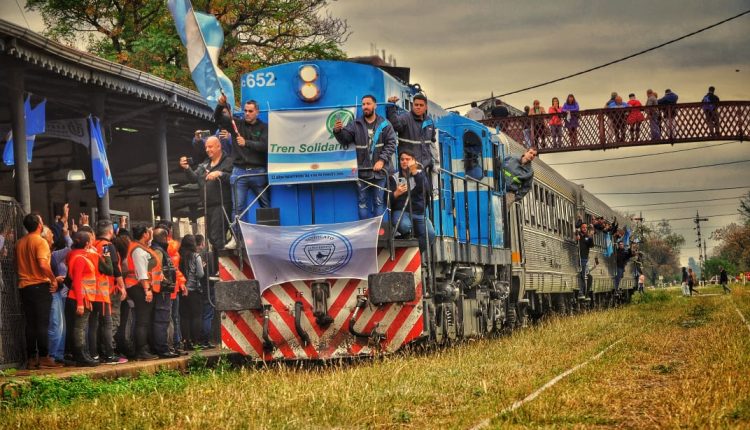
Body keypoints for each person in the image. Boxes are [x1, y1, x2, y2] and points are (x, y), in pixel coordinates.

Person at [334, 95, 397, 219]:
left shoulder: (385, 124)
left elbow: (391, 143)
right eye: (363, 104)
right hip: (362, 172)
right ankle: (365, 233)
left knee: (378, 202)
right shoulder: (356, 123)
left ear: (375, 105)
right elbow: (345, 140)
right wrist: (338, 131)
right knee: (362, 203)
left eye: (368, 104)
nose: (365, 107)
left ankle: (378, 235)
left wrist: (382, 160)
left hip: (380, 173)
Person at [221, 96, 270, 249]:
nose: (247, 113)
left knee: (265, 206)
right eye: (245, 111)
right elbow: (220, 119)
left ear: (257, 112)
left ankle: (268, 238)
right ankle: (236, 238)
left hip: (258, 171)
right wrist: (219, 105)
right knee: (237, 208)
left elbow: (265, 145)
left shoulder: (264, 127)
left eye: (250, 111)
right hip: (239, 172)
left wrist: (246, 143)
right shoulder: (237, 124)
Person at [16, 214, 63, 369]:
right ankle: (44, 357)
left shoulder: (20, 243)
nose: (43, 223)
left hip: (24, 286)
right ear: (38, 225)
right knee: (42, 323)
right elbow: (43, 264)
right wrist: (53, 278)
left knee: (30, 324)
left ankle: (31, 358)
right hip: (39, 285)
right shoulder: (40, 241)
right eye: (42, 221)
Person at [181, 136, 233, 253]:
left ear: (219, 146)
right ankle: (219, 261)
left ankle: (224, 260)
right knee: (210, 237)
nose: (207, 150)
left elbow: (233, 178)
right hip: (207, 205)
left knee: (216, 235)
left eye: (210, 147)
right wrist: (187, 168)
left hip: (222, 204)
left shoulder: (228, 161)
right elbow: (193, 178)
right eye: (206, 147)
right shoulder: (205, 164)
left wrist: (220, 173)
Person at [92, 219, 128, 364]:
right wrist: (122, 286)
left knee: (96, 323)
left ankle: (99, 352)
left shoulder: (93, 245)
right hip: (107, 289)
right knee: (110, 321)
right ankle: (109, 353)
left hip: (92, 290)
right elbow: (114, 268)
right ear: (110, 231)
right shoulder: (108, 246)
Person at [122, 224, 158, 360]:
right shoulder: (138, 250)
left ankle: (143, 349)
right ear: (144, 234)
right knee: (142, 320)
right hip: (138, 286)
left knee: (143, 319)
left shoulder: (138, 247)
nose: (150, 234)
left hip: (137, 286)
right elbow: (142, 272)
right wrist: (147, 290)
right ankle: (141, 351)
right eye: (148, 233)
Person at [389, 150, 435, 253]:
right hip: (401, 212)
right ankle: (406, 237)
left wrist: (414, 171)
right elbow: (387, 199)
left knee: (430, 234)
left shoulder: (420, 174)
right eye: (402, 159)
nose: (404, 162)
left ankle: (417, 256)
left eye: (408, 159)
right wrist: (396, 193)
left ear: (414, 161)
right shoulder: (394, 178)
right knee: (405, 226)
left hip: (418, 213)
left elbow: (425, 189)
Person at [65, 231, 99, 366]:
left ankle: (82, 354)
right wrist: (80, 303)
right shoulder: (80, 258)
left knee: (80, 327)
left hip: (81, 297)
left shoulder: (75, 255)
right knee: (80, 328)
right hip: (80, 298)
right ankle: (81, 355)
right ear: (87, 243)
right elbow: (77, 281)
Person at [386, 94, 437, 170]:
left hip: (425, 168)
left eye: (421, 105)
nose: (418, 107)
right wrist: (391, 107)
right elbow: (394, 125)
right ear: (412, 105)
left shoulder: (429, 122)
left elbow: (432, 145)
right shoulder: (405, 118)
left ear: (426, 107)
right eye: (416, 105)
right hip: (409, 169)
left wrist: (435, 164)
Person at [150, 227, 179, 358]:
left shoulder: (159, 250)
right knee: (162, 320)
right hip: (161, 291)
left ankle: (162, 347)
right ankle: (162, 349)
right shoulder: (159, 251)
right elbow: (153, 269)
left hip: (161, 290)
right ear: (165, 238)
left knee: (162, 319)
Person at [179, 235, 205, 350]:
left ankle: (186, 341)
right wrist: (203, 267)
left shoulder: (179, 255)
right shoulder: (196, 256)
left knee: (184, 316)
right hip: (194, 290)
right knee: (196, 316)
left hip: (182, 290)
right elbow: (200, 274)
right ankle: (196, 341)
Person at [575, 223, 594, 299]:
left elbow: (592, 245)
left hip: (585, 258)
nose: (585, 229)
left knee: (586, 276)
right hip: (578, 257)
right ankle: (582, 292)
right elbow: (575, 241)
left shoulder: (588, 237)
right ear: (581, 228)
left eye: (586, 227)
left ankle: (585, 293)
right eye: (583, 227)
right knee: (583, 275)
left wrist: (590, 237)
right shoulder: (578, 234)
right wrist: (577, 238)